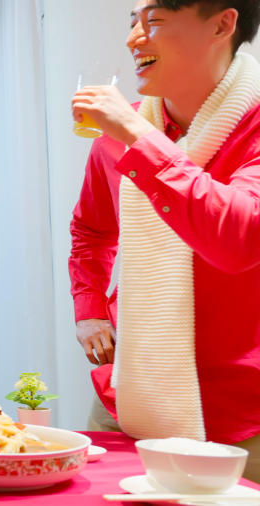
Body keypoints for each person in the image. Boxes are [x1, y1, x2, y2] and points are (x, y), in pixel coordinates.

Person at [69, 0, 260, 478]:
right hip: (127, 391)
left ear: (222, 23)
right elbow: (90, 230)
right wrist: (90, 306)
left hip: (241, 408)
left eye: (153, 21)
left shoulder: (132, 131)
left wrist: (138, 135)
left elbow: (239, 236)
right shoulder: (116, 136)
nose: (134, 39)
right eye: (132, 23)